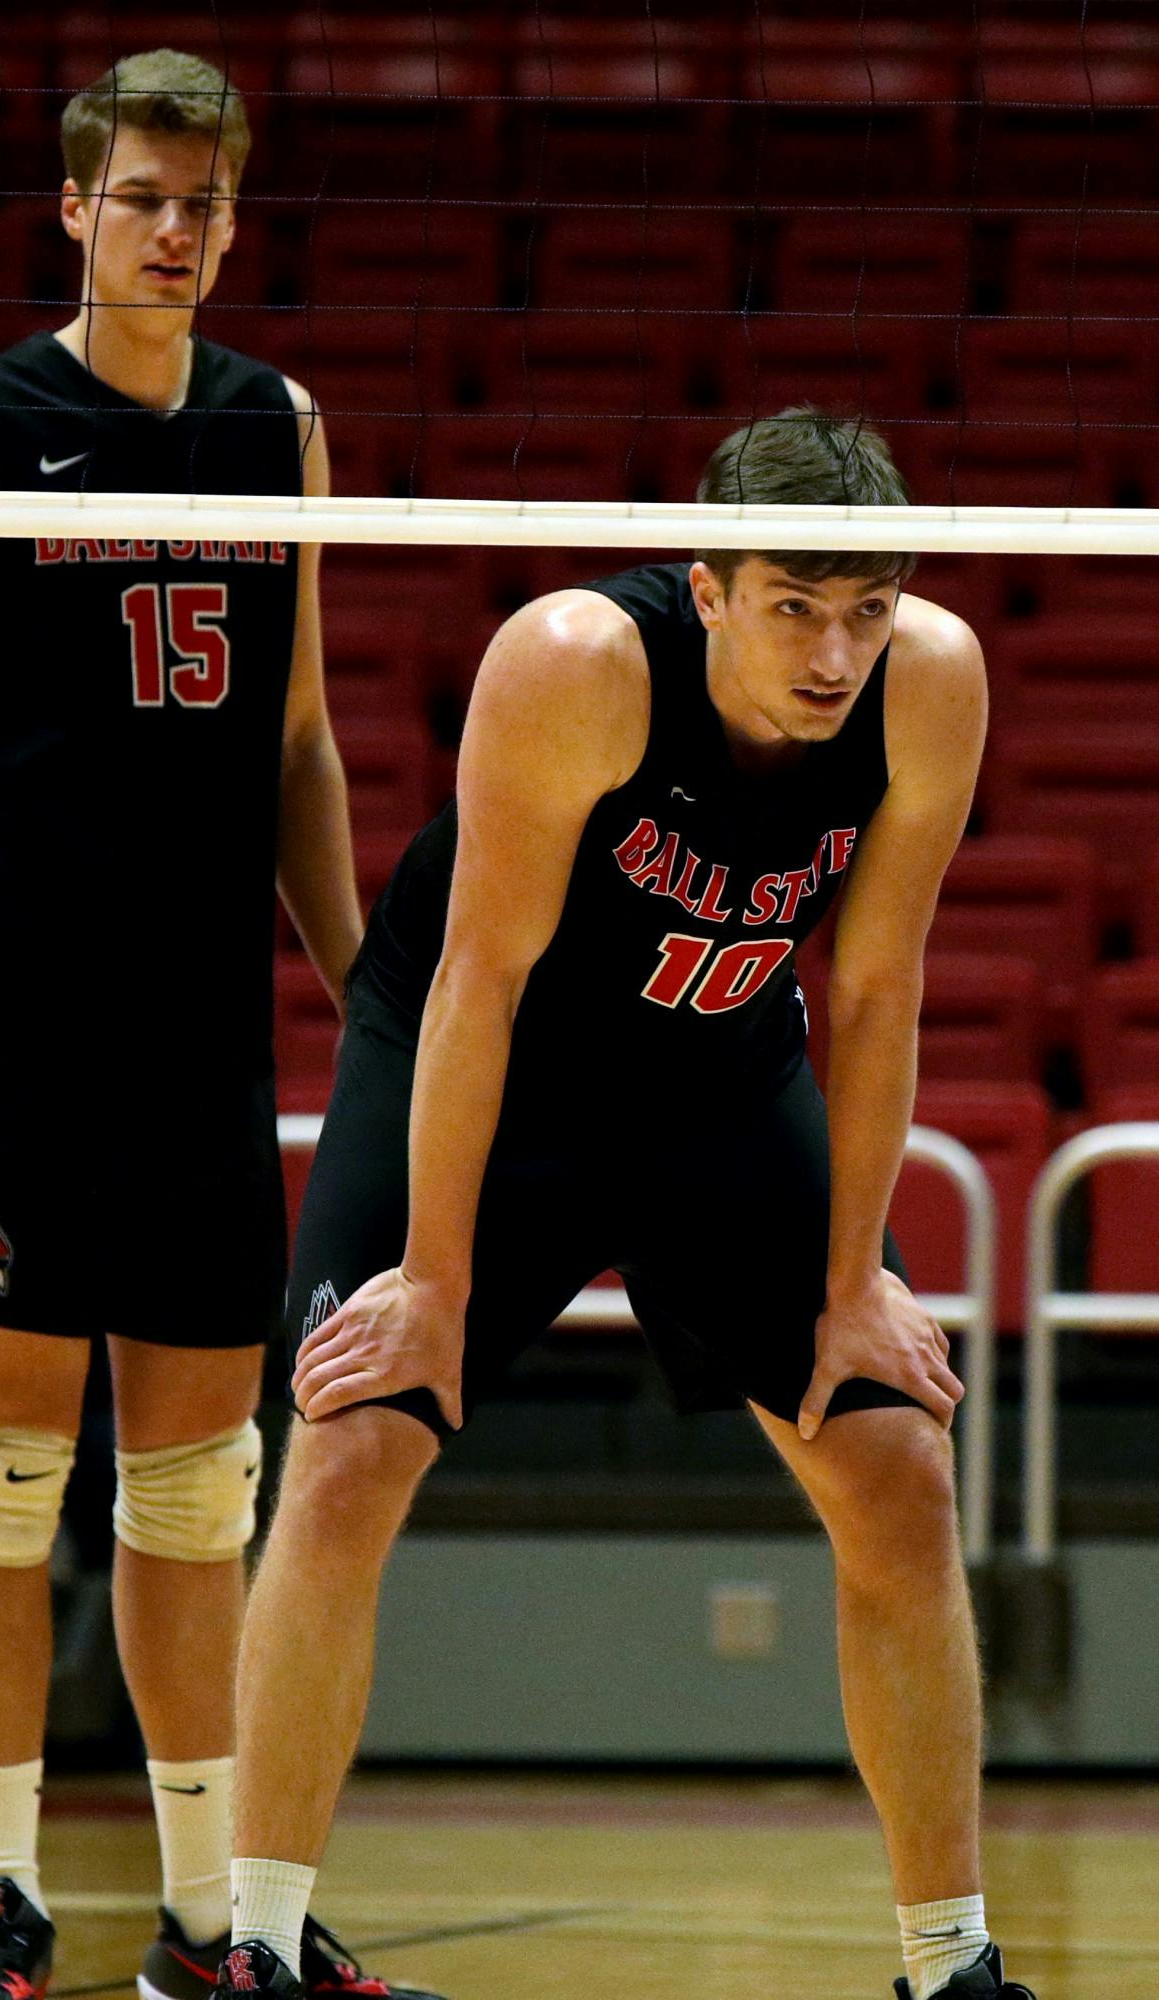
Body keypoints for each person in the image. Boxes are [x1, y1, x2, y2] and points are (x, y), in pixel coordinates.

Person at [221, 409, 1038, 2000]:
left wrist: (856, 1284)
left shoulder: (929, 682)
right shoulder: (576, 661)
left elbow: (872, 990)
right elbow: (478, 977)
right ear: (709, 584)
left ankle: (950, 1967)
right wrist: (436, 1281)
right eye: (793, 607)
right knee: (346, 1442)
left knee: (897, 1473)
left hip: (719, 1086)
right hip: (494, 1066)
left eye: (862, 611)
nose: (832, 654)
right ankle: (252, 1948)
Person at [0, 48, 441, 2000]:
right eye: (143, 198)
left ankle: (208, 1922)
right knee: (3, 1483)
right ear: (74, 209)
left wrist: (375, 1005)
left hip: (196, 1040)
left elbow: (301, 748)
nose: (175, 231)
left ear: (236, 220)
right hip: (4, 1025)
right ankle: (1, 1894)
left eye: (206, 203)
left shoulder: (282, 428)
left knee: (199, 1493)